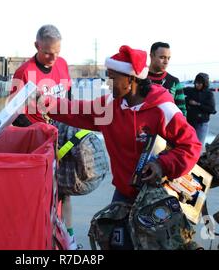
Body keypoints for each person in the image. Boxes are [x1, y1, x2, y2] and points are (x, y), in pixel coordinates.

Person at [39, 45, 201, 204]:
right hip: (124, 192)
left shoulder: (162, 109)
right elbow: (77, 110)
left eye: (112, 78)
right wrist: (42, 102)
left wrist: (162, 164)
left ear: (131, 79)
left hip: (157, 196)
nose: (108, 84)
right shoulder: (110, 105)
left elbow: (191, 146)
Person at [10, 24, 78, 249]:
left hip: (61, 138)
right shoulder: (24, 72)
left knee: (65, 191)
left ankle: (69, 239)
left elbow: (68, 99)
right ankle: (38, 238)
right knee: (39, 194)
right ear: (36, 46)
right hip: (38, 142)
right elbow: (15, 114)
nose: (53, 57)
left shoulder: (63, 65)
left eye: (57, 52)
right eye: (48, 52)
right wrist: (40, 130)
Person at [148, 42, 187, 116]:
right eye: (162, 57)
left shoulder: (174, 82)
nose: (166, 62)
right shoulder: (138, 79)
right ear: (151, 56)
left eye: (168, 58)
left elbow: (181, 110)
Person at [184, 72, 217, 146]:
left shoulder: (208, 94)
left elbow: (212, 109)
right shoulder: (190, 90)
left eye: (200, 83)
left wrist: (197, 104)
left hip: (202, 124)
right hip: (189, 122)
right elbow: (178, 90)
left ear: (205, 84)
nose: (197, 85)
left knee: (197, 146)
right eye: (196, 83)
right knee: (187, 145)